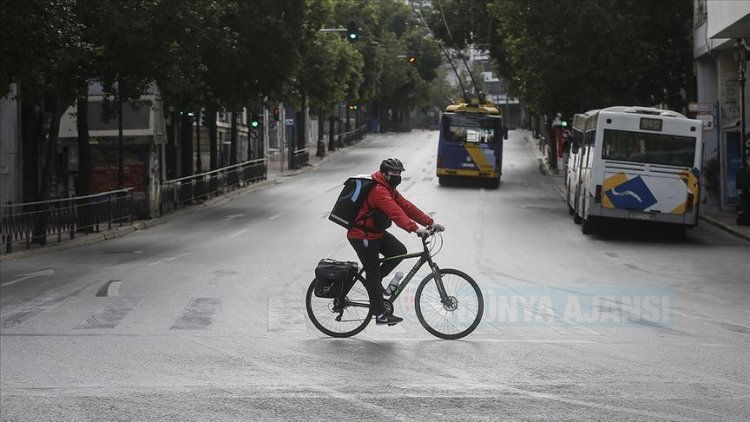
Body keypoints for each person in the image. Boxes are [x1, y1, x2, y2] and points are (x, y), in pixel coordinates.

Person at [346, 158, 445, 326]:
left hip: (375, 234)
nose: (398, 175)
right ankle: (379, 314)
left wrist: (429, 222)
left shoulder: (389, 188)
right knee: (373, 271)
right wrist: (415, 228)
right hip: (361, 236)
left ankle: (375, 284)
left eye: (400, 172)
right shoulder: (379, 190)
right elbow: (396, 213)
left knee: (399, 250)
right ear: (384, 174)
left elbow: (406, 206)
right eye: (394, 172)